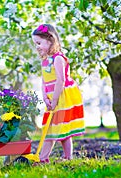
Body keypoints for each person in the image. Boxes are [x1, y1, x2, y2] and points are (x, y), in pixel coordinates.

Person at [31, 24, 85, 165]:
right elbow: (44, 80)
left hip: (62, 96)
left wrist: (54, 100)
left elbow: (60, 80)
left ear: (50, 40)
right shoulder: (44, 60)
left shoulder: (58, 59)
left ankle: (52, 158)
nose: (37, 46)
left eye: (39, 43)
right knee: (53, 127)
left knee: (57, 128)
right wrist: (44, 96)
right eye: (35, 43)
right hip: (51, 97)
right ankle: (55, 157)